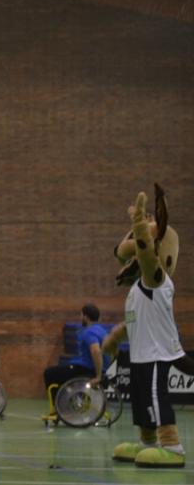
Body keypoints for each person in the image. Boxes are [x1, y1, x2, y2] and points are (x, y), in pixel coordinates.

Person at [104, 187, 187, 468]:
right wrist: (116, 337)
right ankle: (147, 442)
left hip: (157, 354)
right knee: (140, 402)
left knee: (156, 396)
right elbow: (133, 320)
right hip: (141, 354)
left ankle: (173, 446)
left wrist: (140, 226)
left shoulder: (158, 280)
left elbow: (148, 256)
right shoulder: (138, 289)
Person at [42, 303, 109, 405]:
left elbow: (95, 351)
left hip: (85, 370)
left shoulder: (89, 332)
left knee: (49, 373)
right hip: (93, 369)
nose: (80, 318)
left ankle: (59, 408)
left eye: (81, 315)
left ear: (86, 317)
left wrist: (98, 376)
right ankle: (68, 401)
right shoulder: (103, 331)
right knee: (61, 372)